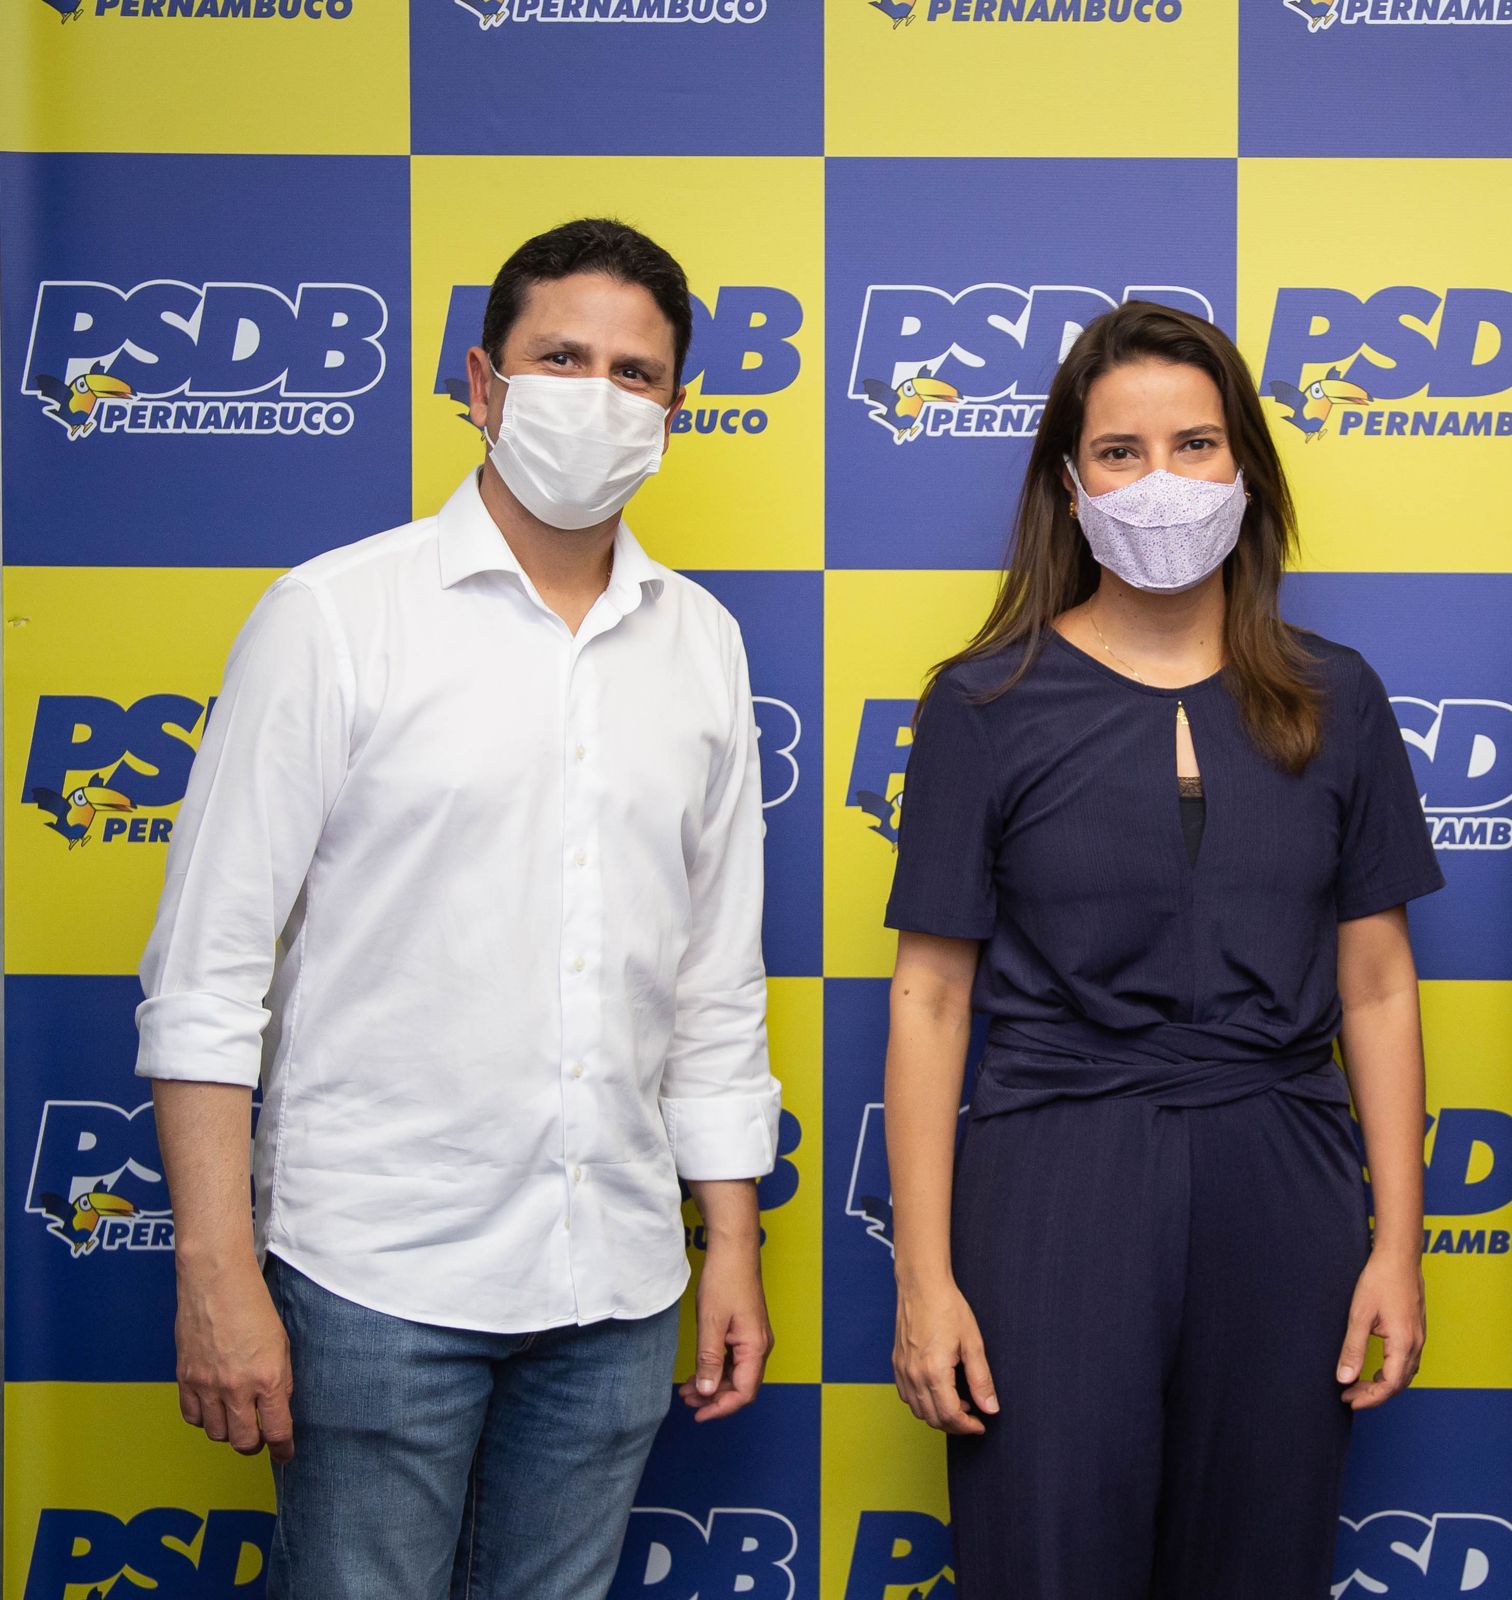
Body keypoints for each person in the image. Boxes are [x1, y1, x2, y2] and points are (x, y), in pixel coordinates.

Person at [135, 217, 782, 1600]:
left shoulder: (703, 645)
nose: (598, 396)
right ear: (483, 385)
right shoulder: (332, 617)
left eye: (635, 372)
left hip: (615, 1285)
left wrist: (729, 1240)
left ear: (674, 411)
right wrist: (215, 1270)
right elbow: (205, 975)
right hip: (373, 1276)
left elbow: (716, 983)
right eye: (562, 359)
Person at [882, 301, 1442, 1600]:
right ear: (1070, 484)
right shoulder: (982, 702)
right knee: (1048, 1555)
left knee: (1260, 1555)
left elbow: (1375, 986)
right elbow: (930, 999)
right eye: (1121, 452)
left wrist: (1398, 1246)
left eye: (1194, 444)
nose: (1162, 481)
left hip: (1283, 1183)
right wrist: (925, 1280)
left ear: (1246, 465)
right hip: (1053, 1180)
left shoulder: (1338, 696)